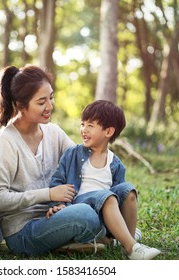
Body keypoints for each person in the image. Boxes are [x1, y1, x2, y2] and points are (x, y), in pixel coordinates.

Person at [0, 65, 109, 256]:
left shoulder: (53, 132)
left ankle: (82, 238)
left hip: (57, 214)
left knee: (118, 192)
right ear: (20, 105)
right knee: (85, 215)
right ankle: (106, 233)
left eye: (50, 97)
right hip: (24, 231)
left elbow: (82, 163)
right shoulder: (5, 143)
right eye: (41, 101)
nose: (50, 106)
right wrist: (49, 194)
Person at [47, 100, 161, 260]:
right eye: (82, 124)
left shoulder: (115, 163)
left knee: (128, 191)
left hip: (104, 211)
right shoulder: (73, 153)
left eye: (90, 126)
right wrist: (57, 205)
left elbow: (119, 195)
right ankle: (132, 248)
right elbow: (58, 181)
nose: (83, 130)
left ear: (108, 132)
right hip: (80, 207)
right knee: (107, 197)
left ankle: (123, 238)